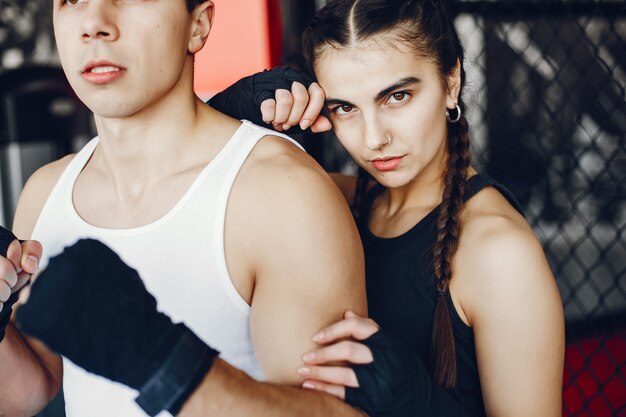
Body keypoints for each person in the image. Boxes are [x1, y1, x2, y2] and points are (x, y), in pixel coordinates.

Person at [0, 1, 369, 416]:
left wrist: (166, 365)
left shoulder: (278, 192)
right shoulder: (44, 192)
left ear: (198, 25)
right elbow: (27, 393)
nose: (94, 24)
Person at [210, 0, 565, 415]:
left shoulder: (500, 253)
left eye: (397, 96)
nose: (374, 138)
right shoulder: (334, 202)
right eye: (345, 107)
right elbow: (187, 180)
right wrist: (227, 113)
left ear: (451, 81)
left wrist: (420, 404)